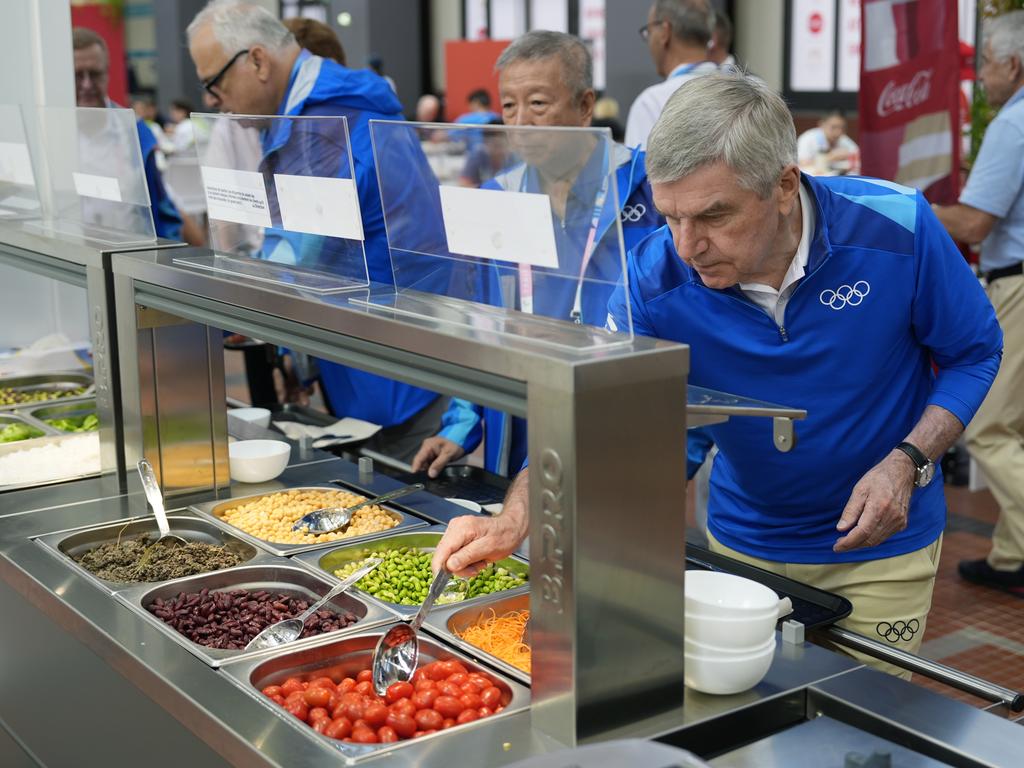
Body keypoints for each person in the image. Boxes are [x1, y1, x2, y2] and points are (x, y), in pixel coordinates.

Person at [434, 72, 1002, 677]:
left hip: (884, 548)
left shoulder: (898, 226)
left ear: (784, 185)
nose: (686, 245)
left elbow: (974, 352)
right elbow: (592, 411)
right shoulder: (650, 277)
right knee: (750, 720)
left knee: (863, 726)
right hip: (741, 545)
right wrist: (517, 518)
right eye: (670, 217)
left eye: (712, 216)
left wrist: (909, 461)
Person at [187, 1, 444, 463]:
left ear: (258, 61)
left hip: (396, 362)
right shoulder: (303, 114)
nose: (210, 99)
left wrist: (209, 310)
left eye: (213, 82)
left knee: (401, 500)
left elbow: (296, 253)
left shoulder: (326, 120)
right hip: (367, 350)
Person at [412, 31, 667, 480]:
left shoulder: (646, 186)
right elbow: (481, 320)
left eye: (538, 103)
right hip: (524, 415)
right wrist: (462, 422)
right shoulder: (499, 195)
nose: (521, 122)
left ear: (585, 106)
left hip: (621, 411)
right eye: (509, 105)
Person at [933, 10, 1024, 597]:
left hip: (1016, 282)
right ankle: (1013, 556)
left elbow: (972, 222)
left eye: (986, 64)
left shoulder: (1014, 124)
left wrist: (903, 205)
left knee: (987, 425)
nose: (982, 77)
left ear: (1013, 65)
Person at [73, 28, 203, 244]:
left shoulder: (134, 132)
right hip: (68, 258)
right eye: (77, 75)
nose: (87, 84)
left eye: (94, 74)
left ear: (108, 73)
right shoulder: (51, 134)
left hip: (129, 258)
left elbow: (163, 204)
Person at [625, 0, 717, 150]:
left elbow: (639, 172)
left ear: (664, 33)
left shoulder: (652, 104)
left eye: (649, 32)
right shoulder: (751, 91)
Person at [797, 109, 860, 176]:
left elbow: (857, 155)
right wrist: (830, 157)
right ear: (821, 125)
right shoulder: (808, 138)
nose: (838, 132)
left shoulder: (843, 139)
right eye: (834, 127)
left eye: (842, 128)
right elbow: (802, 164)